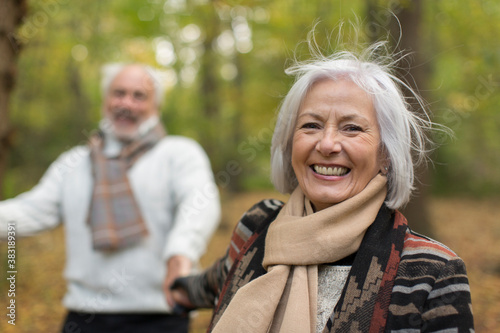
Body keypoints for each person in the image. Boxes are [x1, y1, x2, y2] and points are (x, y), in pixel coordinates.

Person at [168, 41, 474, 332]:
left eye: (352, 128)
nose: (327, 144)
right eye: (311, 125)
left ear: (385, 154)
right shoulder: (258, 228)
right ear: (290, 145)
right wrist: (177, 287)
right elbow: (212, 283)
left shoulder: (431, 270)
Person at [0, 63, 221, 332]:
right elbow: (30, 211)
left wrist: (181, 252)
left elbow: (201, 202)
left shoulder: (178, 153)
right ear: (105, 101)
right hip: (84, 317)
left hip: (160, 316)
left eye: (139, 96)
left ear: (156, 106)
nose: (126, 103)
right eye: (119, 93)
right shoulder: (74, 163)